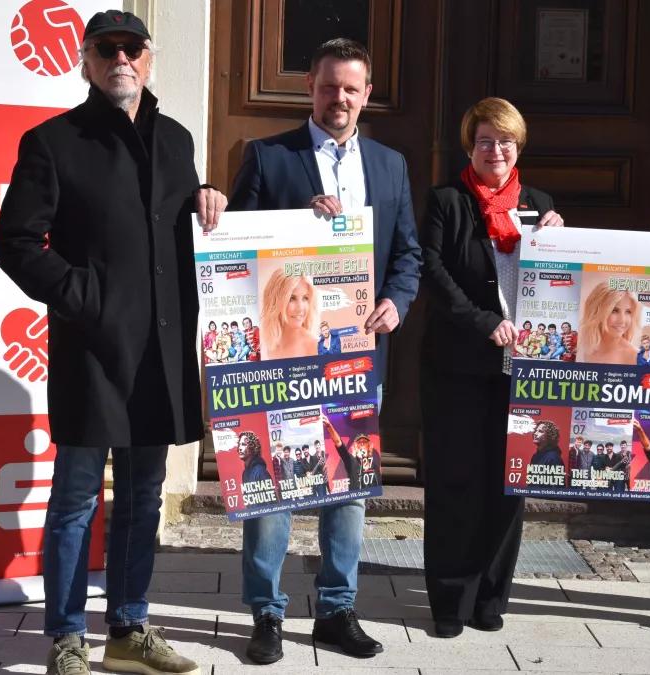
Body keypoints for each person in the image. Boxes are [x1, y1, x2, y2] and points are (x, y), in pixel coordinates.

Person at [0, 10, 227, 675]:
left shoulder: (178, 141)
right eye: (106, 48)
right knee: (75, 500)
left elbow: (181, 225)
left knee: (144, 498)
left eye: (133, 47)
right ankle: (67, 636)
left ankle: (129, 628)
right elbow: (13, 243)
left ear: (148, 59)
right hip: (92, 352)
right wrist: (82, 297)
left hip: (159, 354)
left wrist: (208, 196)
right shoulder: (53, 140)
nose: (121, 57)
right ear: (86, 60)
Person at [225, 38, 421, 664]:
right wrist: (294, 226)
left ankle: (337, 610)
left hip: (359, 356)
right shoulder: (267, 157)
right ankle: (267, 614)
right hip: (281, 357)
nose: (340, 98)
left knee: (348, 490)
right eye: (329, 86)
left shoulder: (390, 165)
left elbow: (408, 254)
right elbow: (235, 250)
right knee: (273, 489)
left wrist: (397, 301)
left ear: (367, 94)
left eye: (351, 88)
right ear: (310, 86)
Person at [419, 96, 563, 638]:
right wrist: (482, 321)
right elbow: (432, 270)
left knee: (509, 485)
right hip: (458, 363)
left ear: (518, 146)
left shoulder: (540, 204)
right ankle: (450, 600)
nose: (495, 150)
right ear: (470, 146)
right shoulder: (446, 200)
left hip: (521, 368)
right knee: (457, 481)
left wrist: (559, 239)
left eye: (505, 141)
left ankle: (490, 596)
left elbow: (562, 280)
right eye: (485, 140)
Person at [259, 270, 318, 360]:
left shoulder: (315, 346)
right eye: (292, 298)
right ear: (275, 301)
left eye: (305, 298)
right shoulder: (263, 344)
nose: (300, 308)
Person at [578, 286, 641, 364]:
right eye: (614, 310)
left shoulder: (635, 356)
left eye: (628, 311)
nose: (622, 320)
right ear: (596, 311)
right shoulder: (581, 347)